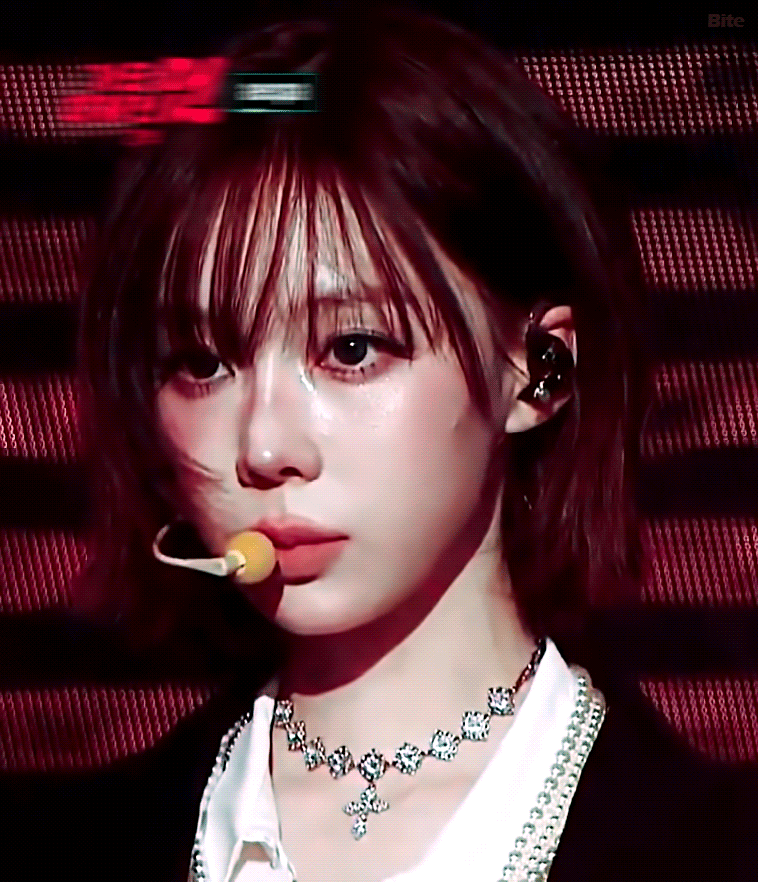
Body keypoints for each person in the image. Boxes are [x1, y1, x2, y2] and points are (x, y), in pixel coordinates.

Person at [3, 4, 744, 882]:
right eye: (202, 363)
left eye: (352, 349)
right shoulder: (63, 845)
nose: (265, 447)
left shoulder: (710, 847)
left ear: (539, 372)